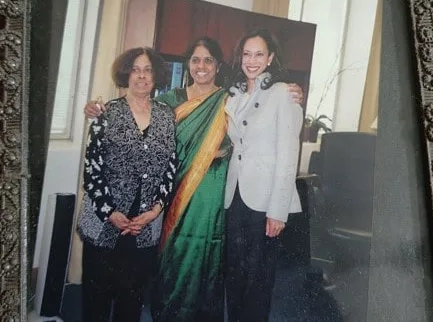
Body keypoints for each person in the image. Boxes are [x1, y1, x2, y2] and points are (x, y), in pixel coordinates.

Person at [83, 37, 304, 321]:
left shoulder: (229, 98)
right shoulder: (167, 101)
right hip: (173, 192)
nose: (201, 66)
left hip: (210, 194)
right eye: (196, 60)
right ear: (188, 64)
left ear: (218, 65)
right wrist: (95, 109)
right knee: (169, 260)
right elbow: (134, 116)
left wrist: (293, 91)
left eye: (208, 60)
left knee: (205, 257)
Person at [76, 47, 177, 322]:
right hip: (105, 222)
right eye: (135, 69)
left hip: (145, 225)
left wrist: (155, 211)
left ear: (156, 76)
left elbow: (170, 167)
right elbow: (92, 170)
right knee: (96, 301)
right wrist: (111, 213)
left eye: (148, 70)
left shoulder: (167, 115)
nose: (142, 76)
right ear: (126, 74)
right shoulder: (105, 114)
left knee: (131, 300)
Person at [224, 28, 304, 322]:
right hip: (234, 196)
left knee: (258, 279)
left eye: (259, 54)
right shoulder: (233, 95)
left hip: (265, 200)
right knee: (234, 274)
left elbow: (288, 155)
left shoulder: (283, 94)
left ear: (270, 58)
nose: (252, 60)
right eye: (247, 54)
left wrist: (278, 211)